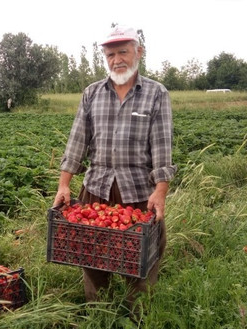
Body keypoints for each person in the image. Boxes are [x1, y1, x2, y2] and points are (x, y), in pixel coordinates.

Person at [53, 25, 176, 313]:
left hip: (139, 194)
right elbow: (76, 142)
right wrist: (63, 184)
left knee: (141, 262)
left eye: (123, 51)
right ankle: (99, 315)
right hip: (96, 190)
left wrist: (161, 192)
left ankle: (138, 321)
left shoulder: (156, 94)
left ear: (138, 52)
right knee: (93, 256)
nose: (117, 59)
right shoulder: (92, 93)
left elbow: (162, 148)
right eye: (111, 54)